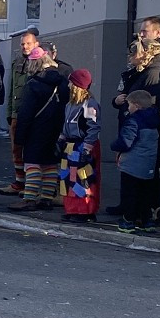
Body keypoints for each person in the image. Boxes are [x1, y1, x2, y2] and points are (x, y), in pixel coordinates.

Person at [111, 38, 160, 225]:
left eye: (133, 53)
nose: (130, 57)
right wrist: (118, 103)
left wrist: (130, 125)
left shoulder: (154, 75)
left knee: (144, 181)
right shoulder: (140, 72)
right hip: (137, 135)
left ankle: (143, 215)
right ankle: (135, 212)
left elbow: (151, 108)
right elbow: (131, 97)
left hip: (144, 139)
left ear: (144, 54)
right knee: (136, 180)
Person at [8, 49, 69, 212]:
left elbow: (26, 112)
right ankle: (46, 198)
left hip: (36, 127)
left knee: (32, 162)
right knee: (49, 162)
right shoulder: (61, 81)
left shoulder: (34, 84)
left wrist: (20, 135)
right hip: (56, 127)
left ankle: (29, 198)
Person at [110, 90, 160, 233]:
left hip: (132, 164)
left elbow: (126, 142)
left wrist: (114, 145)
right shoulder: (155, 119)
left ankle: (128, 220)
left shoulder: (133, 120)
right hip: (148, 163)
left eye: (129, 104)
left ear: (137, 106)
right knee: (145, 194)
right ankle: (147, 221)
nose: (128, 107)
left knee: (129, 193)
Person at [0, 27, 41, 196]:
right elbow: (11, 89)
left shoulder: (40, 62)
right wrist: (10, 113)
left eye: (28, 43)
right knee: (16, 150)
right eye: (23, 44)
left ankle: (33, 185)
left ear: (36, 44)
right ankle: (19, 182)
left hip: (33, 116)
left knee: (33, 151)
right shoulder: (16, 62)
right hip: (17, 114)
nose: (25, 47)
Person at [58, 69, 102, 223]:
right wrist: (61, 139)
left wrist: (87, 147)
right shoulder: (70, 103)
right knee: (68, 179)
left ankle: (85, 210)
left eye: (71, 82)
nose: (69, 85)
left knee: (83, 178)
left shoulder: (89, 104)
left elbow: (93, 126)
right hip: (70, 145)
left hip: (82, 145)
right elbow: (66, 125)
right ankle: (72, 209)